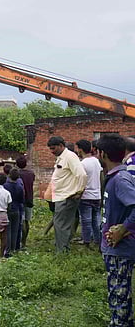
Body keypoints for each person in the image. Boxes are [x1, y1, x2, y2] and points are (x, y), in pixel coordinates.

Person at [97, 133, 135, 327]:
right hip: (113, 248)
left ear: (102, 154)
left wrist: (124, 228)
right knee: (118, 292)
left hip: (119, 249)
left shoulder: (120, 179)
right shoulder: (116, 177)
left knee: (119, 292)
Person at [47, 136, 87, 253]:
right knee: (62, 224)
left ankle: (62, 251)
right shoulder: (62, 157)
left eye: (53, 148)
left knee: (60, 225)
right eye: (50, 149)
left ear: (61, 145)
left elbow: (82, 175)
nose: (52, 151)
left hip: (67, 197)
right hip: (61, 196)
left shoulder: (69, 156)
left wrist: (79, 191)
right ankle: (63, 248)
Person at [75, 139, 103, 248]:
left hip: (86, 196)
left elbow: (80, 181)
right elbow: (100, 177)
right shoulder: (96, 161)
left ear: (80, 149)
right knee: (96, 220)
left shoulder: (82, 164)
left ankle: (86, 241)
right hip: (97, 195)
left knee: (86, 221)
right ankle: (98, 241)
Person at [3, 168, 24, 255]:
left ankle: (7, 250)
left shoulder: (5, 186)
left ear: (9, 175)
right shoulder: (20, 187)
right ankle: (13, 249)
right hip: (16, 209)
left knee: (8, 230)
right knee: (15, 230)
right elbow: (21, 200)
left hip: (7, 209)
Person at [16, 156, 35, 249]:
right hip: (29, 200)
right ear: (26, 164)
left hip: (20, 200)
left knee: (21, 222)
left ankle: (19, 243)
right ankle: (24, 242)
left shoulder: (16, 174)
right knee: (27, 221)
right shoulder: (31, 174)